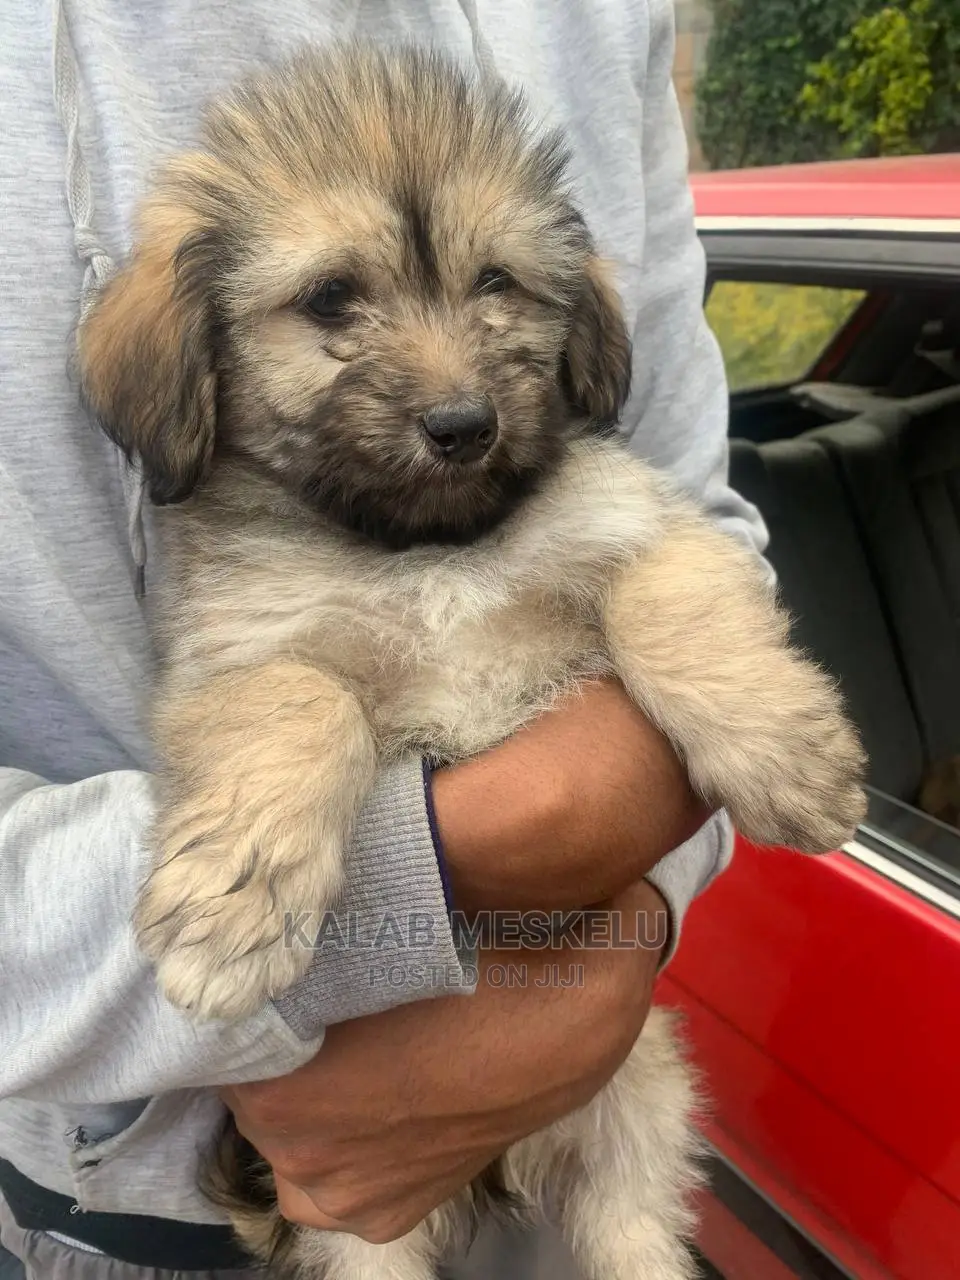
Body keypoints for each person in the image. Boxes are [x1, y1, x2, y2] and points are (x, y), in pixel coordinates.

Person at [0, 0, 766, 1276]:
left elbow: (698, 540)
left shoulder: (596, 16)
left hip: (566, 1143)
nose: (454, 389)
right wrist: (404, 893)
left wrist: (617, 935)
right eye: (331, 300)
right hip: (120, 1208)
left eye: (497, 285)